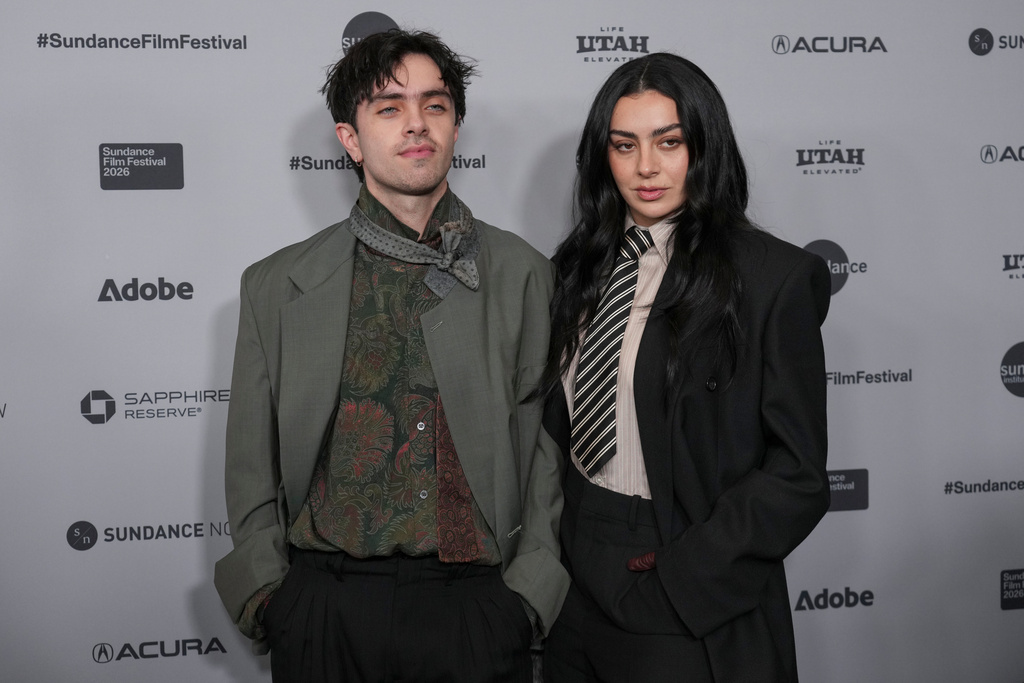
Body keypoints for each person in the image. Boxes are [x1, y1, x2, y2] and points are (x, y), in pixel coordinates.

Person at [214, 29, 568, 683]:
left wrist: (527, 599)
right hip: (323, 609)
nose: (416, 123)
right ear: (350, 139)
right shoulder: (276, 284)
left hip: (478, 611)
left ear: (455, 126)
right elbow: (249, 466)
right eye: (389, 107)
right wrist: (270, 597)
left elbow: (547, 452)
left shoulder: (524, 274)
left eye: (435, 105)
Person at [540, 53, 831, 682]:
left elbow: (798, 474)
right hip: (571, 573)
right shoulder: (574, 267)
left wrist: (684, 579)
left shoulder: (773, 279)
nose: (645, 167)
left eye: (669, 142)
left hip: (673, 572)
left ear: (705, 145)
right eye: (625, 145)